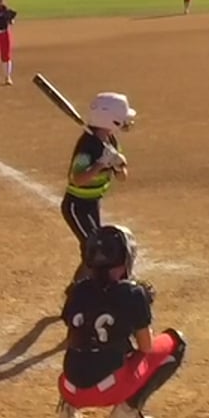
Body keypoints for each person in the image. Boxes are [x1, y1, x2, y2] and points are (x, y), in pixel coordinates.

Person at [56, 224, 186, 418]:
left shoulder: (77, 289)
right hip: (109, 389)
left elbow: (78, 334)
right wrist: (137, 310)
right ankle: (127, 411)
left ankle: (67, 408)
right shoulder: (132, 293)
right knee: (176, 343)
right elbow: (146, 347)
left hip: (68, 386)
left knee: (85, 346)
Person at [61, 92, 136, 284]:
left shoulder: (111, 142)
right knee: (93, 248)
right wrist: (100, 164)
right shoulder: (87, 147)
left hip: (93, 202)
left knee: (93, 248)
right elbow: (77, 179)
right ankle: (78, 291)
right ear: (110, 119)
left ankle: (82, 288)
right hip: (76, 205)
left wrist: (118, 165)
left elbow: (122, 178)